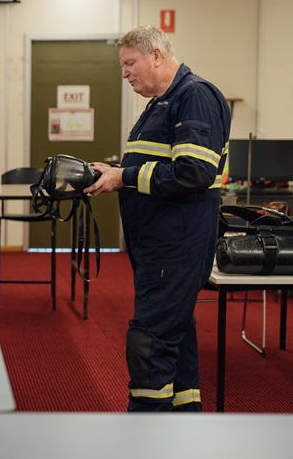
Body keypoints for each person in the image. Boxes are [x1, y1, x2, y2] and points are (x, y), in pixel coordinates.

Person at [84, 25, 231, 412]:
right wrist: (115, 173)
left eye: (130, 63)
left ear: (156, 56)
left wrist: (125, 177)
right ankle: (184, 427)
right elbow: (160, 165)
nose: (125, 73)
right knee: (175, 335)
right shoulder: (162, 103)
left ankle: (146, 435)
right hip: (159, 246)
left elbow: (194, 172)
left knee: (150, 340)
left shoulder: (194, 96)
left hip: (175, 248)